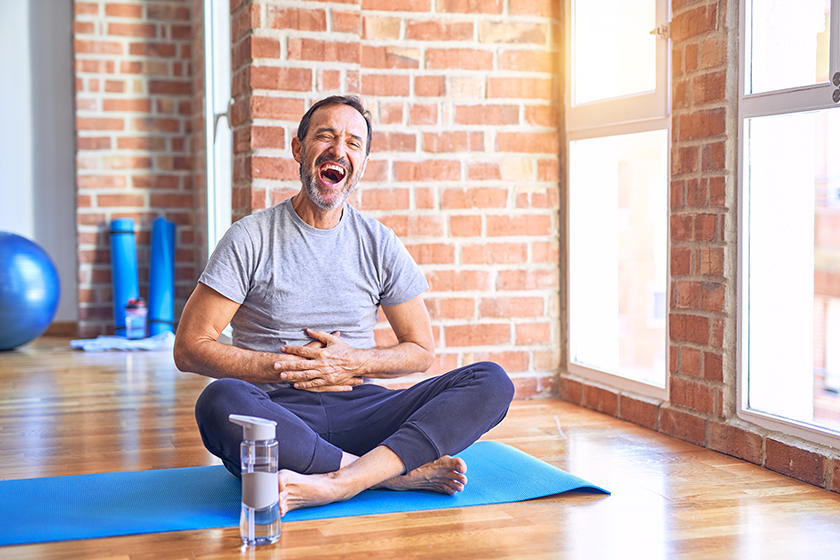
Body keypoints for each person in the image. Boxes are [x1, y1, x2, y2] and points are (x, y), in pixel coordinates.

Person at [174, 95, 514, 513]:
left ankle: (343, 480)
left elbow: (421, 352)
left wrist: (353, 362)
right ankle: (389, 475)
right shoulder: (250, 238)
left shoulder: (379, 242)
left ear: (363, 162)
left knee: (492, 381)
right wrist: (290, 367)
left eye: (354, 142)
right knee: (219, 402)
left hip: (365, 409)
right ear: (299, 149)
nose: (339, 149)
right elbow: (189, 347)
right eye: (326, 136)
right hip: (281, 416)